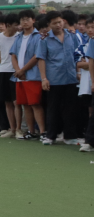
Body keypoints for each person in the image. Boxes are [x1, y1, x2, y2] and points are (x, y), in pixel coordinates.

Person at [37, 10, 81, 145]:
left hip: (71, 77)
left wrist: (78, 72)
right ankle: (50, 136)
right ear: (49, 24)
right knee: (53, 108)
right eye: (54, 23)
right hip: (54, 78)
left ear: (64, 22)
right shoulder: (44, 39)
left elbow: (78, 55)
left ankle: (69, 136)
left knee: (70, 108)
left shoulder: (72, 36)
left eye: (60, 22)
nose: (58, 25)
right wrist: (44, 78)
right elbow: (41, 59)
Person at [0, 13, 20, 138]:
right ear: (8, 25)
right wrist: (7, 65)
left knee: (17, 102)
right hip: (3, 72)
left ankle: (19, 129)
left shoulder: (20, 37)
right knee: (8, 102)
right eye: (16, 25)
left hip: (17, 72)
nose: (18, 27)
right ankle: (11, 129)